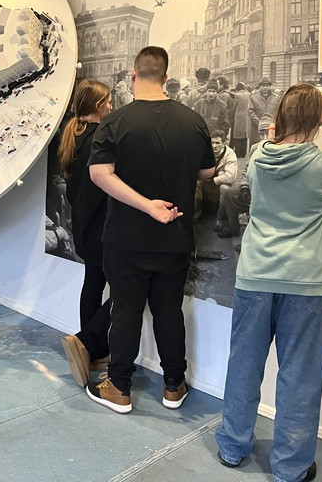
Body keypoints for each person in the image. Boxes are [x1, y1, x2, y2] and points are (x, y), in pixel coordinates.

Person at [215, 84, 322, 482]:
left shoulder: (259, 158)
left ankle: (232, 446)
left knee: (243, 365)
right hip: (305, 282)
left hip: (254, 276)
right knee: (300, 376)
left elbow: (271, 147)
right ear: (317, 120)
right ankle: (290, 467)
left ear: (279, 116)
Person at [86, 46, 216, 414]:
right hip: (175, 236)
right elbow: (207, 171)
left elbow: (99, 174)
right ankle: (174, 385)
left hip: (126, 238)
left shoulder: (116, 121)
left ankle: (119, 388)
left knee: (125, 311)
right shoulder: (193, 121)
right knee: (169, 311)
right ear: (165, 76)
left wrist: (146, 205)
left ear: (133, 74)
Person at [57, 79, 113, 387]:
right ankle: (87, 343)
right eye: (108, 102)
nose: (111, 106)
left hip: (84, 223)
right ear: (97, 105)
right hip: (102, 224)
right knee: (124, 289)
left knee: (93, 283)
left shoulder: (75, 136)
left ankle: (90, 349)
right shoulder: (98, 140)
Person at [195, 130, 238, 226]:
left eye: (217, 143)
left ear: (223, 143)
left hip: (217, 183)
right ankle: (196, 212)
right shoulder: (205, 151)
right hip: (206, 182)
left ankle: (220, 218)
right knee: (195, 183)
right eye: (212, 143)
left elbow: (230, 177)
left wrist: (213, 179)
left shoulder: (230, 154)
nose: (214, 146)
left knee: (225, 188)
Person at [248, 77, 280, 148]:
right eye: (263, 85)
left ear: (270, 86)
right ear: (260, 86)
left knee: (271, 147)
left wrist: (273, 122)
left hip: (272, 127)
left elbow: (279, 111)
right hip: (256, 128)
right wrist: (259, 123)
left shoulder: (276, 97)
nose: (265, 87)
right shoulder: (253, 97)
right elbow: (251, 112)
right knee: (256, 147)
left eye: (267, 85)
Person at [229, 83, 251, 157]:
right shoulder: (249, 94)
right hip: (246, 117)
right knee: (245, 135)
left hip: (238, 117)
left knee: (237, 136)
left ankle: (238, 153)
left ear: (237, 89)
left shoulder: (237, 95)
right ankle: (243, 153)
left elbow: (233, 107)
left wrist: (231, 117)